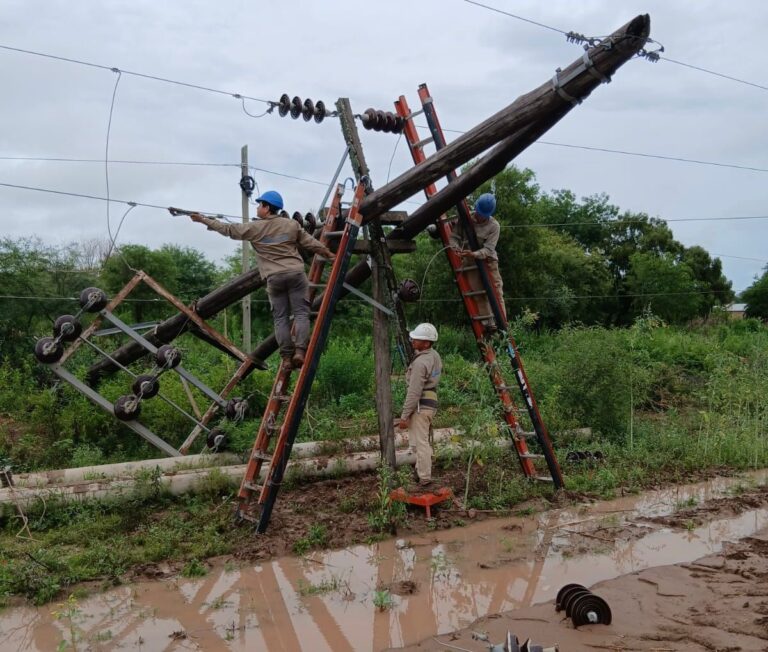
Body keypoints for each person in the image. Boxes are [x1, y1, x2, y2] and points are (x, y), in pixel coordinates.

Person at [169, 190, 334, 368]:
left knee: (281, 319)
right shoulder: (291, 225)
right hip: (295, 274)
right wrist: (329, 255)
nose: (257, 208)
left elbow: (228, 230)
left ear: (267, 207)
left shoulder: (254, 228)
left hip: (274, 278)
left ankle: (287, 358)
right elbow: (311, 243)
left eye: (260, 204)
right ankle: (300, 352)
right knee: (301, 314)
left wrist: (203, 220)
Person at [448, 192, 506, 332]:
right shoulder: (466, 219)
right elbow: (454, 236)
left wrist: (474, 253)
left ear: (489, 214)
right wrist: (455, 248)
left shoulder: (494, 226)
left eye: (483, 215)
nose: (479, 217)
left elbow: (488, 249)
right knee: (478, 293)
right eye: (479, 213)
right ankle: (488, 325)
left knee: (496, 292)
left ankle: (503, 325)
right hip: (470, 262)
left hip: (488, 261)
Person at [397, 323, 442, 488]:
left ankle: (424, 478)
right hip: (431, 403)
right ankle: (420, 471)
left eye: (417, 339)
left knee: (421, 442)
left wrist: (404, 416)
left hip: (421, 405)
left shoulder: (420, 363)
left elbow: (414, 392)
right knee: (419, 440)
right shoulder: (434, 356)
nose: (412, 340)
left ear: (426, 343)